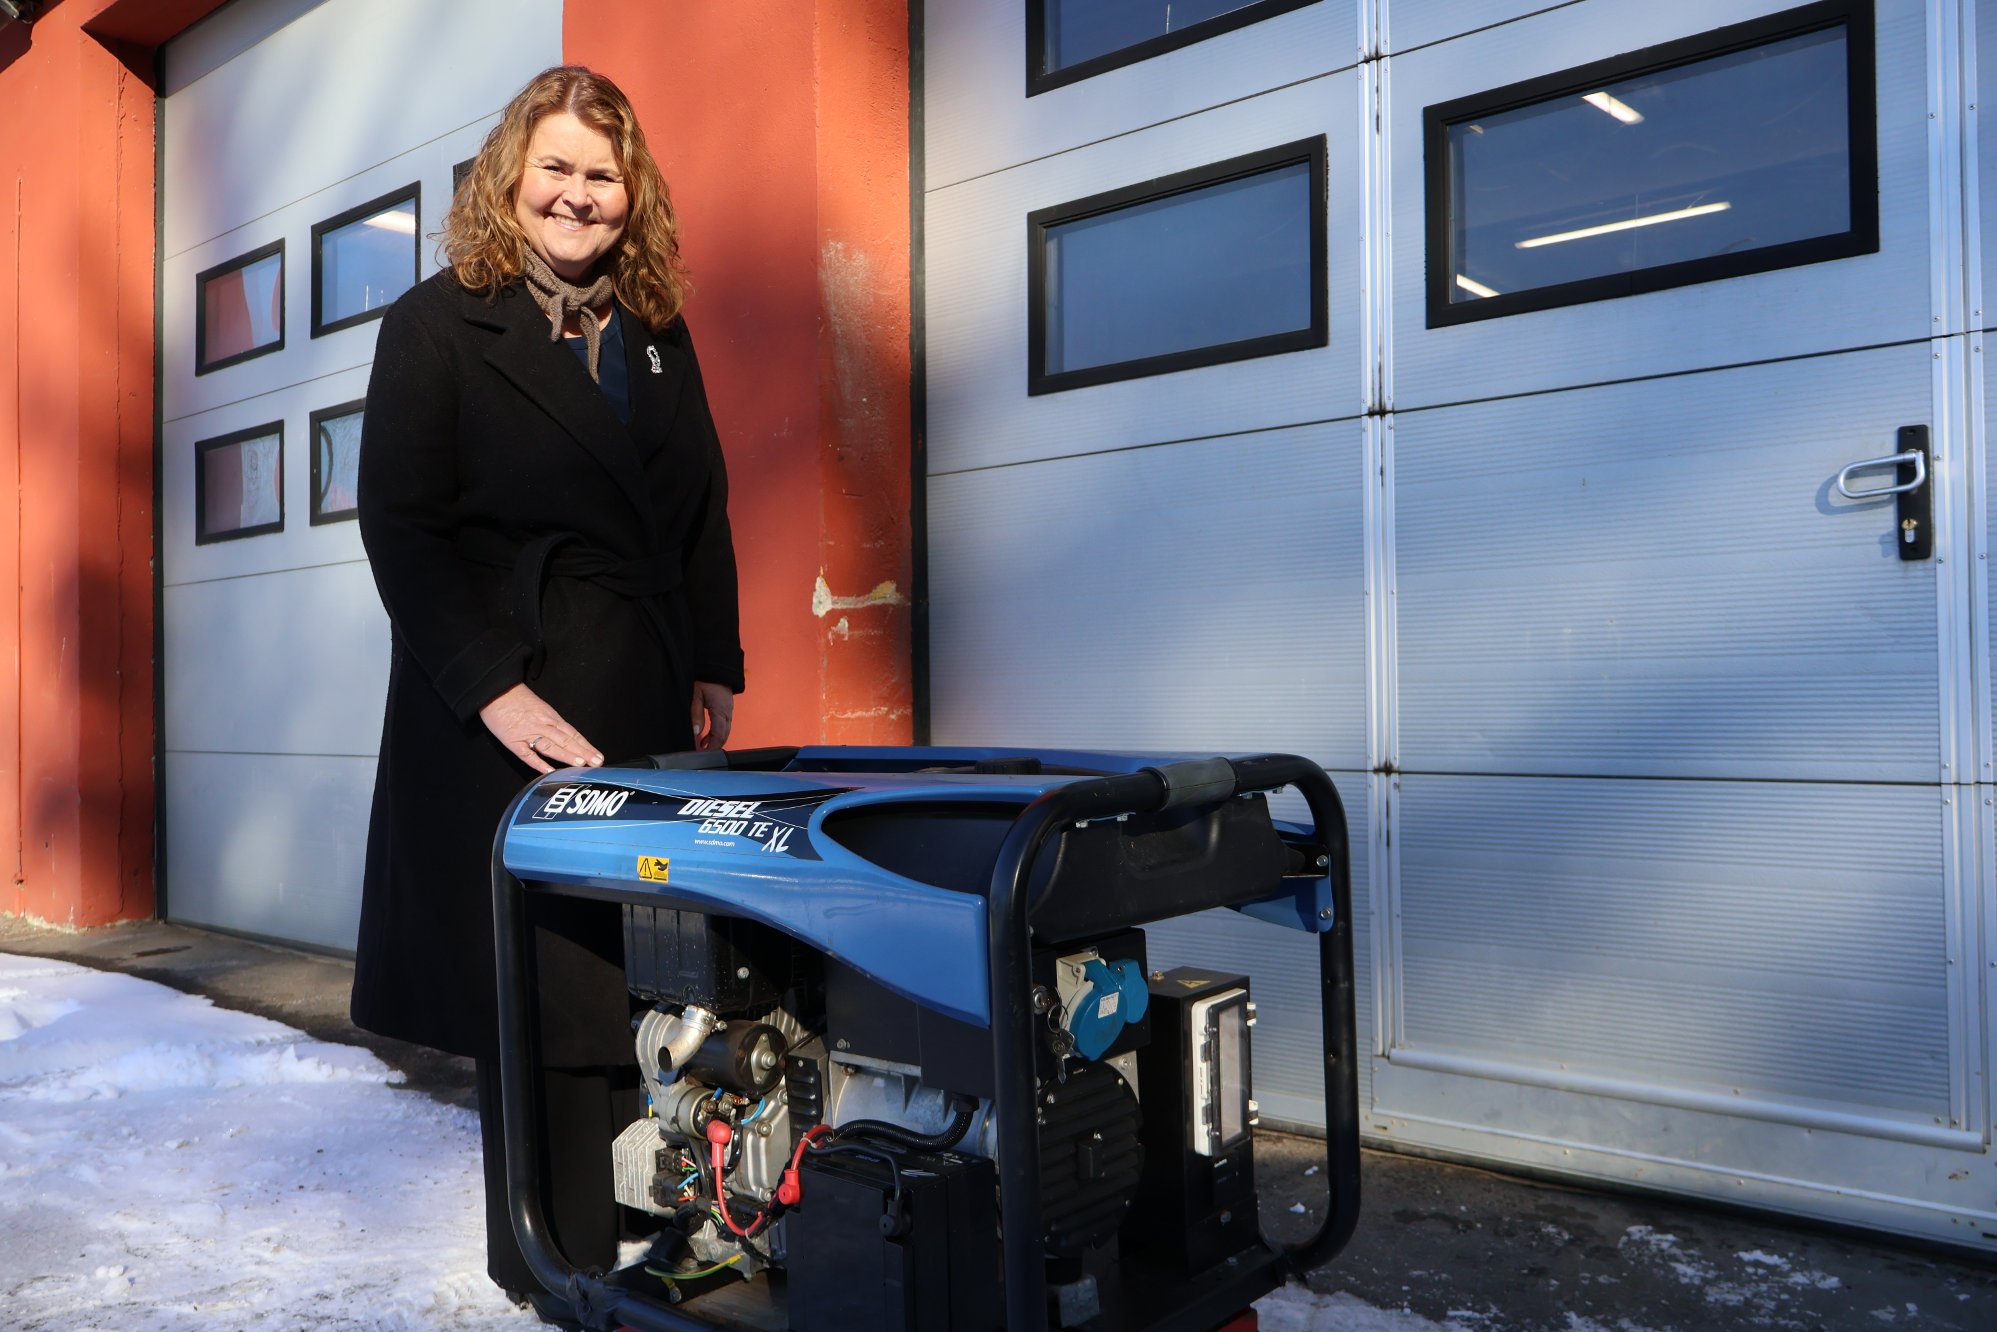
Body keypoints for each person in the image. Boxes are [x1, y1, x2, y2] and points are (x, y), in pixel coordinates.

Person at [349, 65, 744, 1316]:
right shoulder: (435, 324)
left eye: (603, 174)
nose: (579, 195)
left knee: (642, 979)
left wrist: (712, 660)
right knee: (541, 992)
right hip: (508, 709)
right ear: (510, 176)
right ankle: (550, 1267)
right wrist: (491, 690)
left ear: (634, 193)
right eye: (557, 168)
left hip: (640, 694)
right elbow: (401, 528)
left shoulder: (656, 331)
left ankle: (646, 1232)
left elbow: (699, 508)